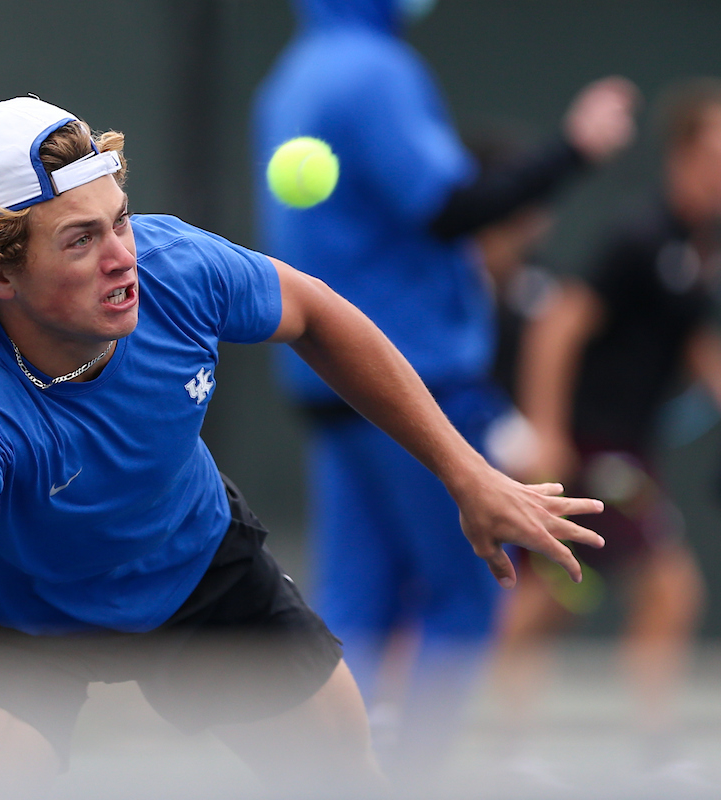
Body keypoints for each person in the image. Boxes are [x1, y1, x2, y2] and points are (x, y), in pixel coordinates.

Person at [0, 95, 604, 799]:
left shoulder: (174, 267)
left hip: (194, 564)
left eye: (119, 221)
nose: (122, 257)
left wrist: (465, 474)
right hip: (29, 621)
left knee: (347, 780)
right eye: (80, 240)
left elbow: (318, 314)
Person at [251, 0, 637, 777]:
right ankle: (416, 779)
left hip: (327, 382)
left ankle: (337, 778)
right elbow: (454, 207)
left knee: (357, 603)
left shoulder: (290, 78)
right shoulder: (375, 72)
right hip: (412, 380)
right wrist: (575, 148)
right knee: (466, 597)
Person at [492, 77, 721, 787]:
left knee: (555, 593)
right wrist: (546, 430)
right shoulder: (640, 237)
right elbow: (558, 327)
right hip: (594, 445)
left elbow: (695, 346)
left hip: (628, 445)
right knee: (670, 588)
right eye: (715, 153)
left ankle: (503, 745)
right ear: (682, 156)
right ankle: (649, 751)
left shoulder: (695, 252)